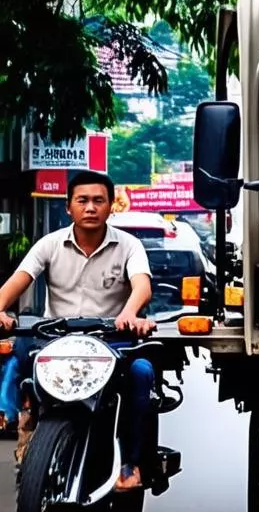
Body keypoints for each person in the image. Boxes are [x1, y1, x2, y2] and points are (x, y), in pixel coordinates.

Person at [0, 171, 156, 490]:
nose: (90, 207)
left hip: (112, 342)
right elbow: (19, 279)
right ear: (68, 206)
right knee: (20, 359)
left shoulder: (129, 245)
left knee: (141, 373)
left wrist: (129, 313)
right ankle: (25, 426)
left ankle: (130, 463)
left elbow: (142, 284)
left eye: (98, 200)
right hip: (57, 340)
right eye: (82, 200)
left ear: (111, 206)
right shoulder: (49, 244)